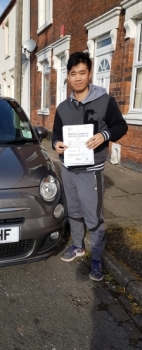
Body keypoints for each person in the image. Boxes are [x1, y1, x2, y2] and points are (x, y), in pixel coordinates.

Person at [52, 51, 128, 281]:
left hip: (91, 172)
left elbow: (120, 126)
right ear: (68, 76)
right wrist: (56, 143)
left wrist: (104, 135)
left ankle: (96, 258)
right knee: (73, 212)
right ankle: (78, 245)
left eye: (82, 73)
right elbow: (56, 132)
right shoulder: (63, 107)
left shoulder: (105, 101)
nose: (77, 78)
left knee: (93, 217)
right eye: (73, 73)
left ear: (90, 73)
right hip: (69, 169)